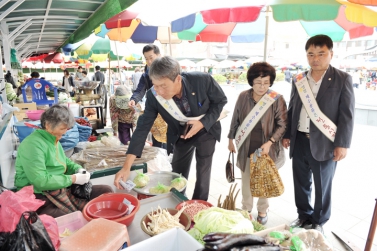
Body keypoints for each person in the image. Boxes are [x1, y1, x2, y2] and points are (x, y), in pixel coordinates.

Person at [114, 56, 227, 201]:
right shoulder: (153, 96)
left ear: (178, 79)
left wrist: (203, 122)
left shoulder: (201, 80)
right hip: (180, 133)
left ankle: (199, 205)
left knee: (203, 172)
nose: (159, 91)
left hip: (206, 131)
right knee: (177, 173)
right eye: (155, 85)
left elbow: (220, 101)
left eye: (163, 86)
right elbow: (142, 128)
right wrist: (126, 167)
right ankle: (178, 201)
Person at [282, 35, 355, 234]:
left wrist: (343, 144)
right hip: (299, 140)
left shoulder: (342, 79)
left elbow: (346, 115)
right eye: (311, 54)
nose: (315, 58)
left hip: (326, 142)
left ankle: (319, 221)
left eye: (321, 54)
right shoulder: (299, 79)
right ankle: (303, 214)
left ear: (331, 54)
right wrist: (287, 133)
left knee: (323, 186)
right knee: (301, 181)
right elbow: (292, 108)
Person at [14, 105, 113, 218]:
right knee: (70, 218)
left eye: (67, 129)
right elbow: (40, 181)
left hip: (59, 188)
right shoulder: (32, 145)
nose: (65, 132)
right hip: (39, 196)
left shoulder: (53, 139)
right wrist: (73, 179)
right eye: (62, 129)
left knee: (106, 190)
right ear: (48, 125)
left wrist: (77, 168)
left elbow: (64, 160)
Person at [228, 62, 287, 225]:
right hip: (246, 145)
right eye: (258, 83)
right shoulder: (243, 96)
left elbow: (283, 124)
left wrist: (271, 142)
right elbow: (236, 119)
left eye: (266, 83)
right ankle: (246, 208)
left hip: (267, 147)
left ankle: (262, 209)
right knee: (246, 179)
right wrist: (231, 139)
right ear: (251, 81)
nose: (262, 87)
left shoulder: (276, 98)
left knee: (264, 180)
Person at [128, 44, 166, 148]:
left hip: (170, 112)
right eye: (146, 59)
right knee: (157, 142)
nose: (149, 61)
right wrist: (134, 100)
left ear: (159, 55)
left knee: (171, 142)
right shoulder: (146, 75)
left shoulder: (169, 71)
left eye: (151, 58)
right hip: (156, 113)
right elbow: (140, 90)